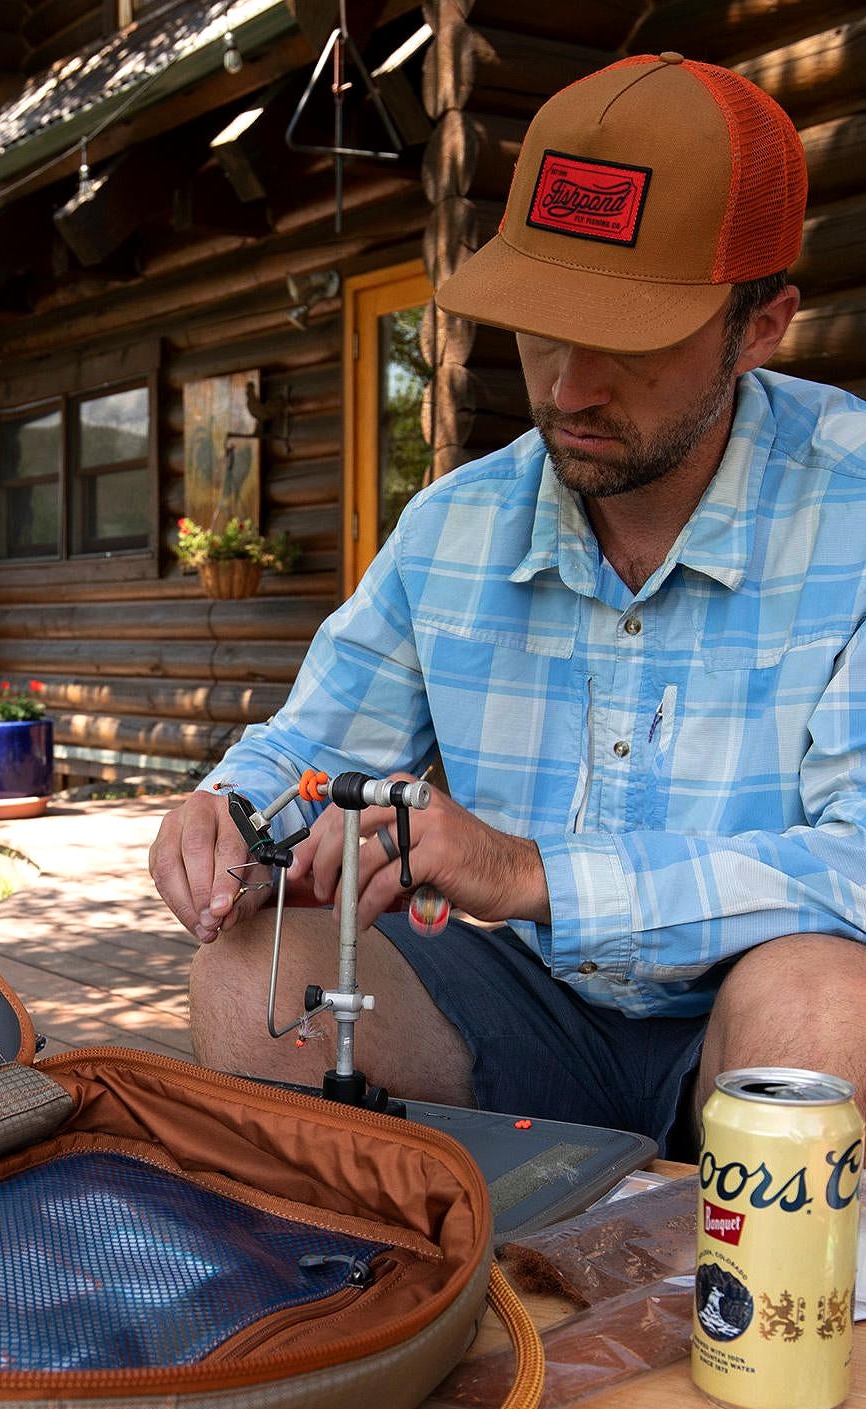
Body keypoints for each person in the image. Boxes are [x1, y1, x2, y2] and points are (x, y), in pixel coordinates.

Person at [148, 52, 866, 1150]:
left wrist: (526, 871)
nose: (571, 387)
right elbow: (308, 751)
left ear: (762, 324)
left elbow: (857, 868)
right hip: (517, 1008)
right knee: (252, 978)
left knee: (827, 1008)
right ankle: (398, 1299)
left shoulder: (855, 509)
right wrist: (236, 816)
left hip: (752, 1014)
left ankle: (750, 1312)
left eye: (632, 337)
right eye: (541, 324)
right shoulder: (455, 525)